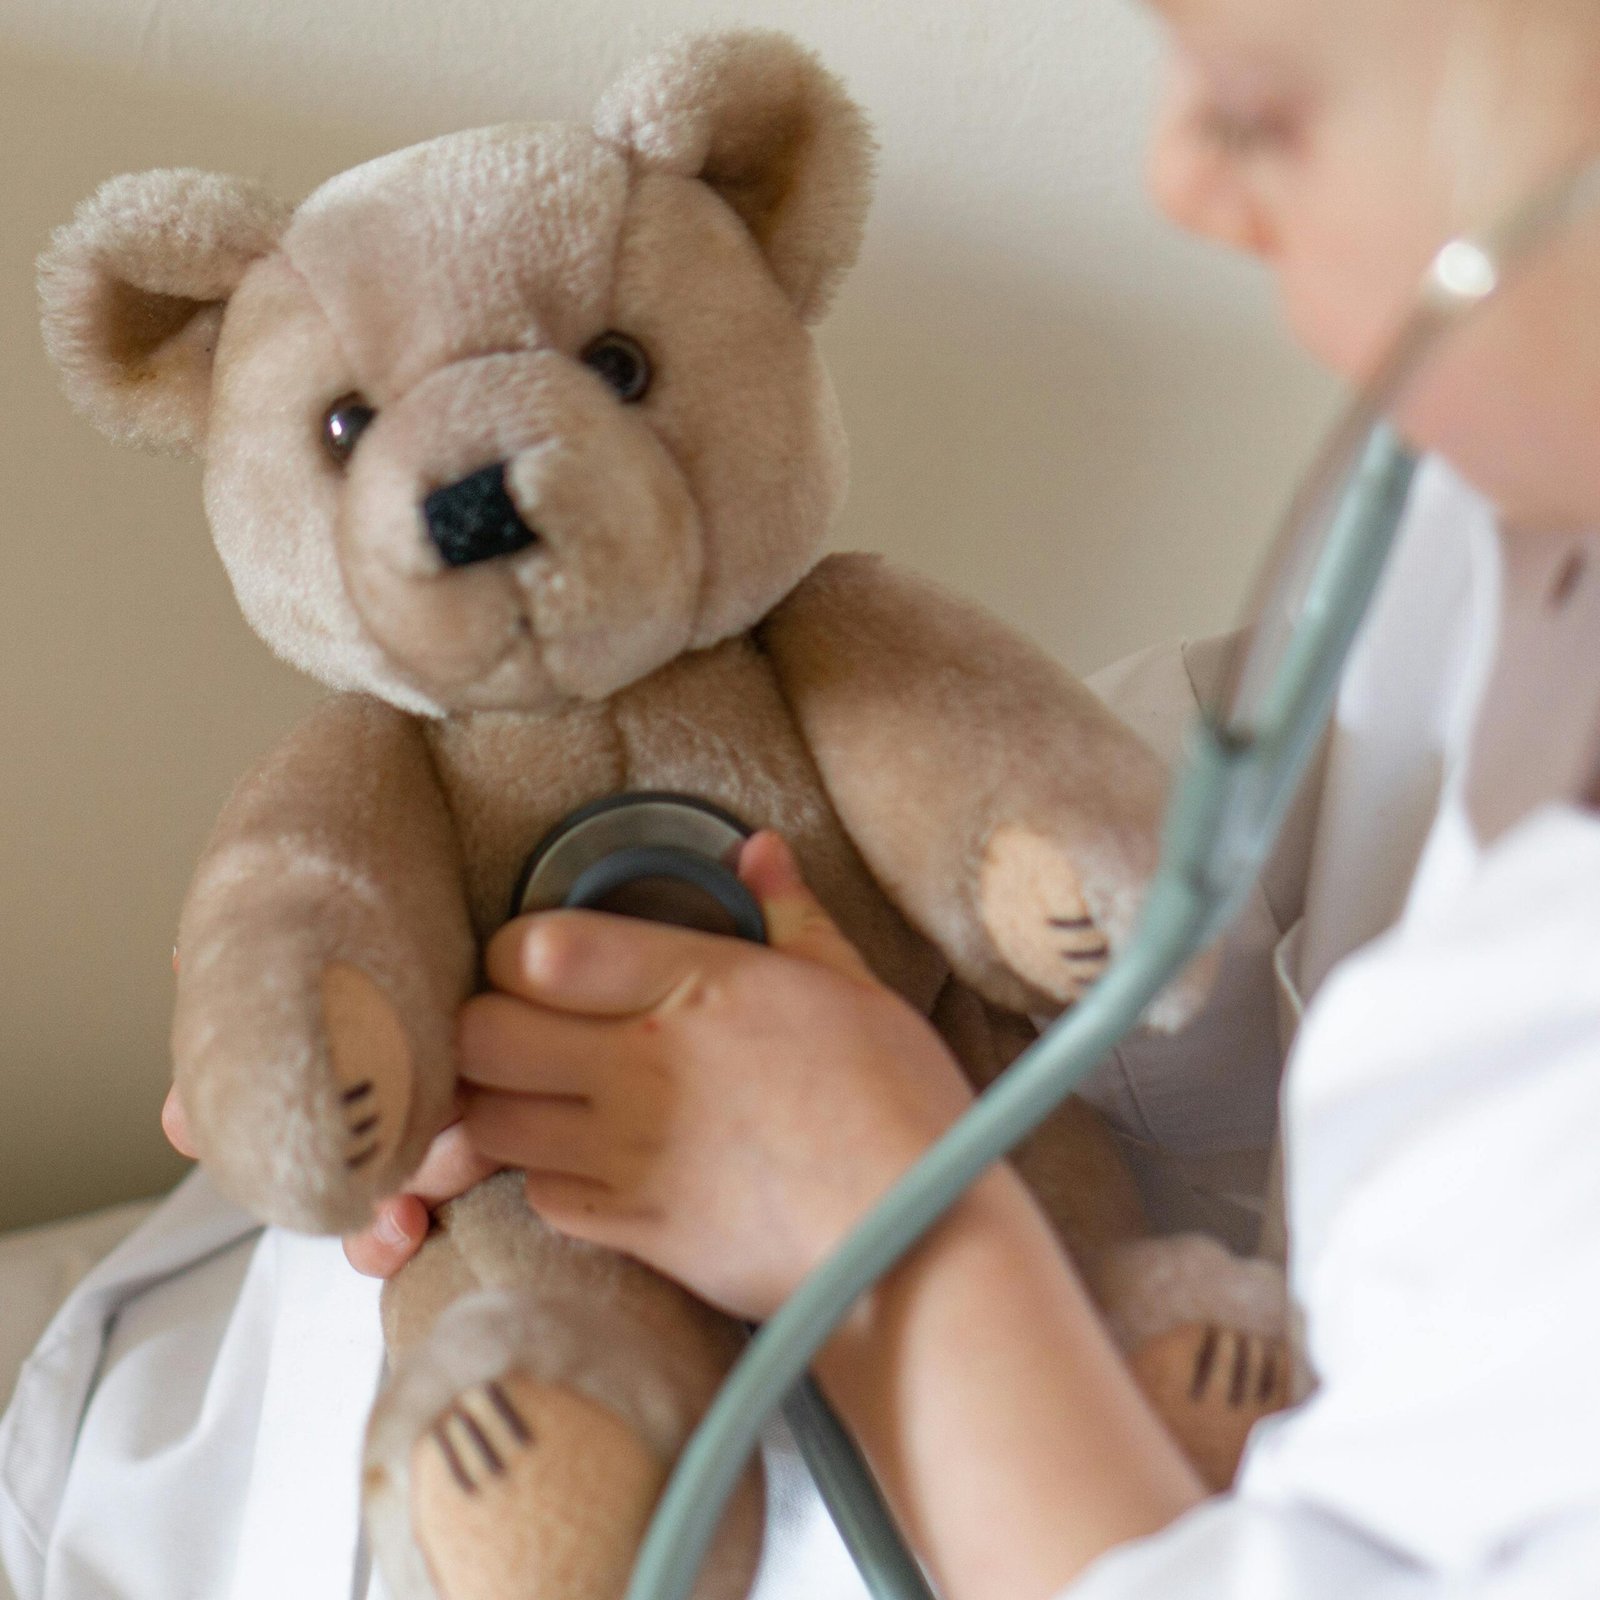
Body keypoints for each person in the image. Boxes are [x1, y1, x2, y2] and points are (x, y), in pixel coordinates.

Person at [6, 0, 1598, 1596]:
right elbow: (1232, 871)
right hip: (308, 1388)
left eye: (1263, 105)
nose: (1180, 177)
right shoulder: (1494, 508)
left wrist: (884, 1218)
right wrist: (362, 1019)